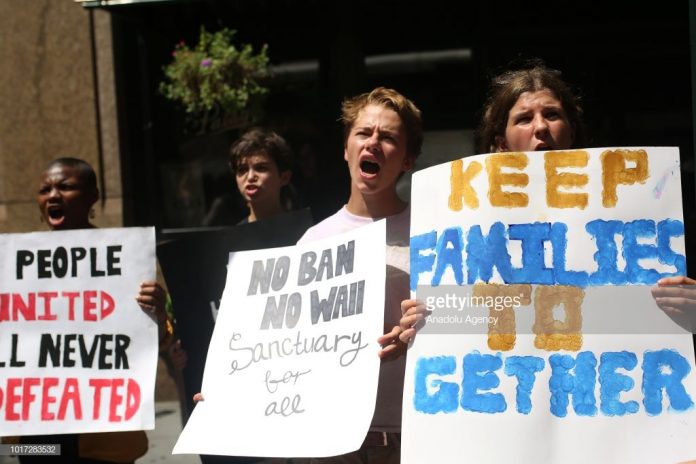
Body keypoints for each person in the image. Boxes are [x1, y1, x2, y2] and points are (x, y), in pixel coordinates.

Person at [399, 61, 696, 347]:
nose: (540, 126)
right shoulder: (465, 218)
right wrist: (429, 323)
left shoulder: (636, 206)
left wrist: (689, 309)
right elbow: (464, 316)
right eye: (524, 119)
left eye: (552, 114)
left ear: (571, 131)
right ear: (501, 142)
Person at [13, 157, 175, 463]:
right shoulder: (16, 266)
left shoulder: (124, 260)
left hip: (104, 436)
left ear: (93, 196)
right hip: (36, 435)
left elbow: (160, 343)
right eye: (45, 190)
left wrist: (158, 316)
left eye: (65, 187)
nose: (53, 196)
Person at [296, 86, 423, 463]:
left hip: (411, 435)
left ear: (407, 159)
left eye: (388, 138)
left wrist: (428, 323)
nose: (373, 143)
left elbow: (470, 318)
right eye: (364, 132)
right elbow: (285, 343)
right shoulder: (312, 241)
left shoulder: (431, 230)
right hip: (330, 438)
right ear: (346, 149)